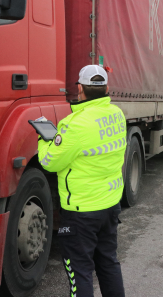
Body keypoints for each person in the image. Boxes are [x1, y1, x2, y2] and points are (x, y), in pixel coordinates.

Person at [37, 65, 126, 297]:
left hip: (81, 212)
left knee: (80, 270)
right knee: (108, 263)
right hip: (110, 204)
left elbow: (49, 161)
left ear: (80, 89)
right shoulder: (117, 115)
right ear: (107, 88)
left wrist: (44, 138)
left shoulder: (73, 125)